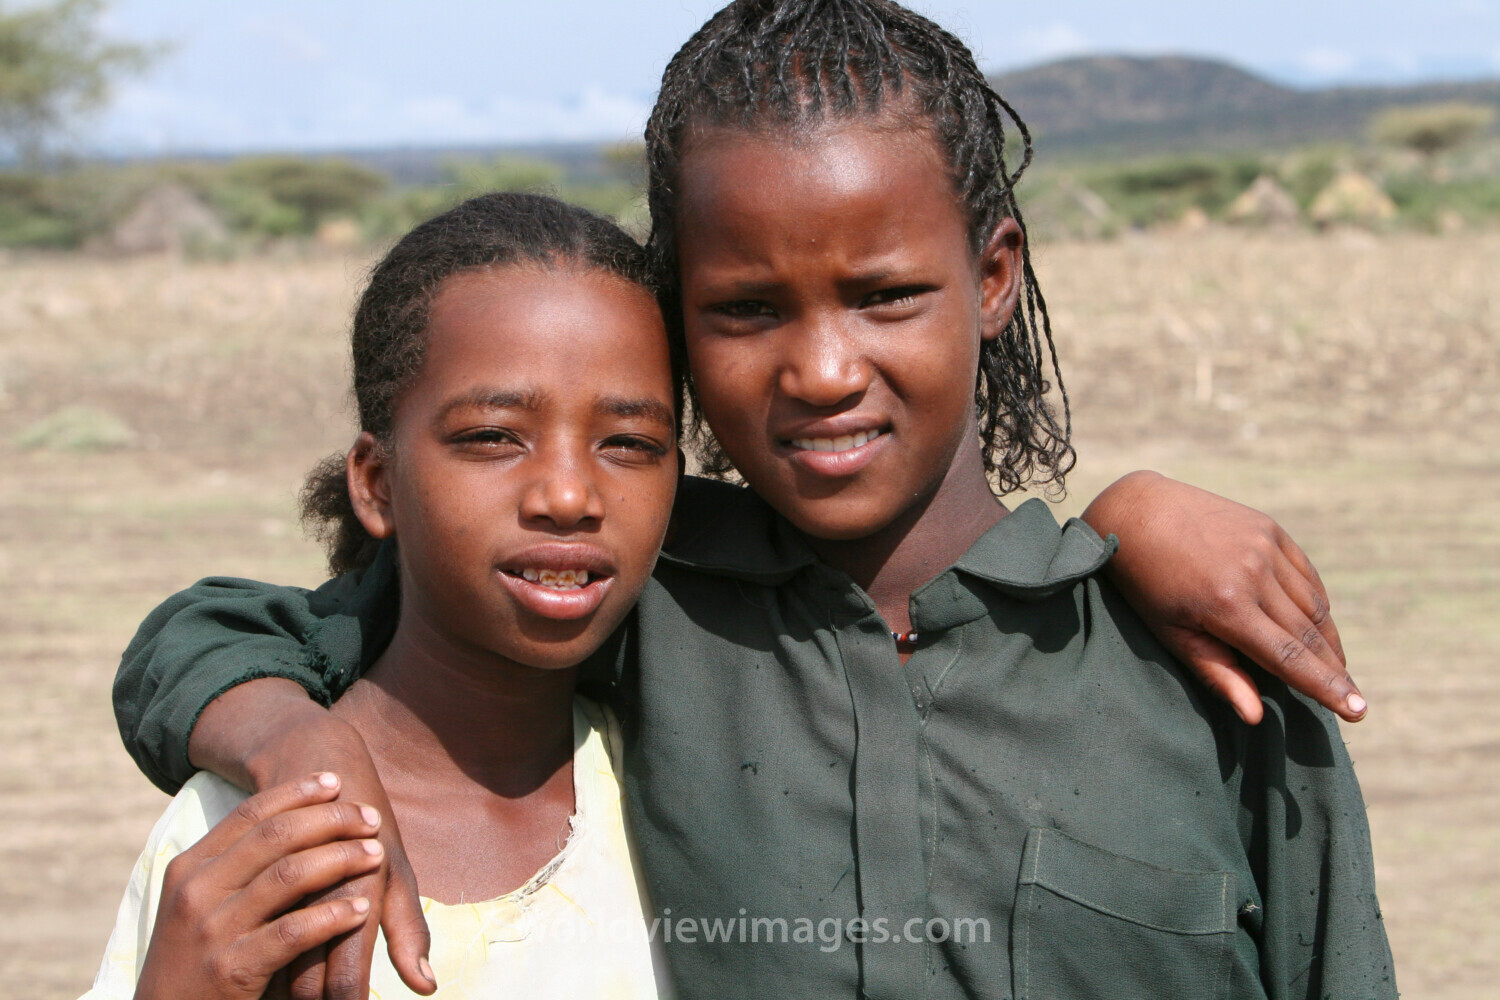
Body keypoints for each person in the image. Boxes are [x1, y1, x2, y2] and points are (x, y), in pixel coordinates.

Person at [110, 2, 1391, 998]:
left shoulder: (1210, 665)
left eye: (886, 295)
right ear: (678, 320)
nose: (823, 370)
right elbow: (217, 632)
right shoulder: (645, 603)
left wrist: (1132, 515)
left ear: (994, 277)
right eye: (746, 308)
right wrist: (296, 743)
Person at [85, 193, 678, 998]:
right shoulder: (241, 829)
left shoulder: (688, 795)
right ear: (375, 482)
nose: (569, 495)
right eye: (492, 437)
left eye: (630, 443)